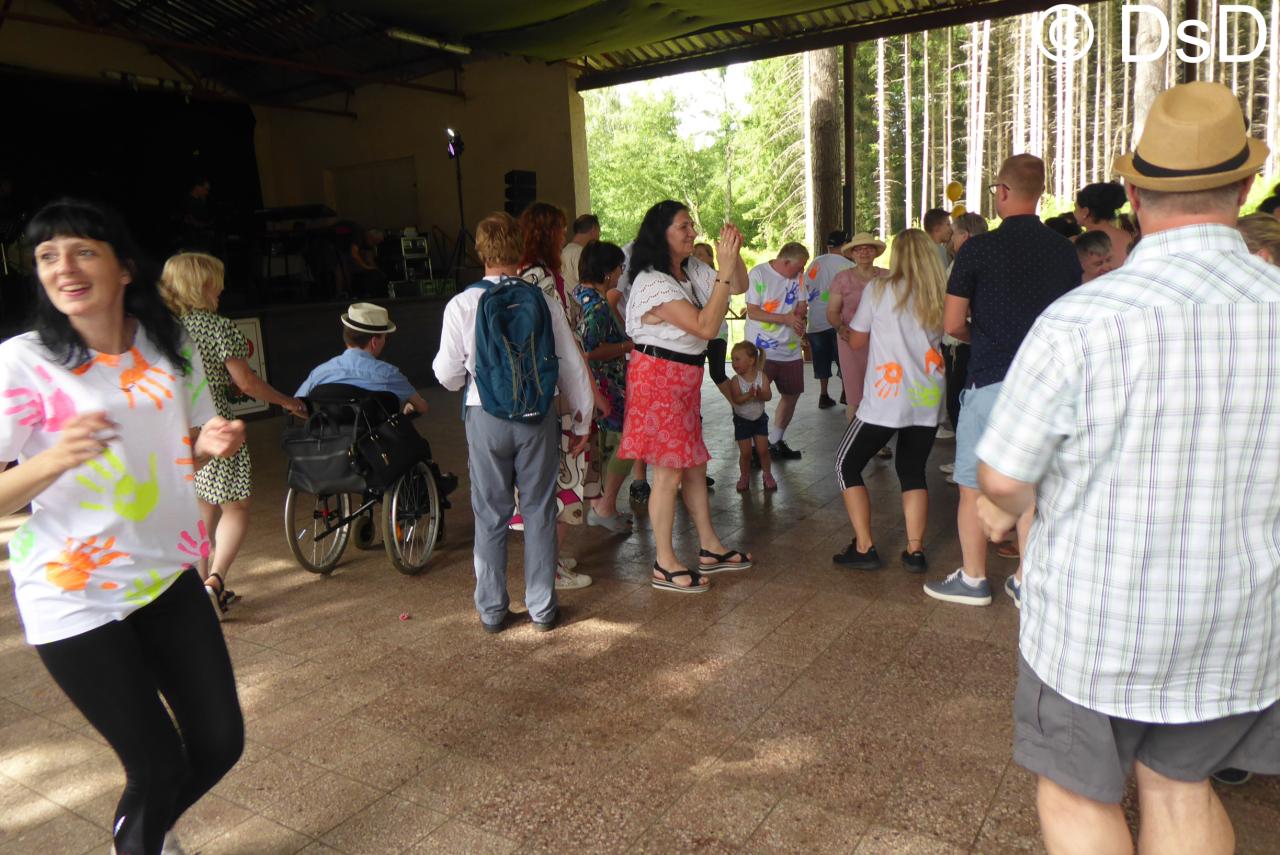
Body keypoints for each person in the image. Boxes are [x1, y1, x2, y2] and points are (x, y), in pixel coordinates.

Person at [975, 81, 1280, 855]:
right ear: (1246, 186)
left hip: (1094, 619)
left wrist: (997, 508)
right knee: (1182, 786)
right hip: (1238, 614)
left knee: (1077, 793)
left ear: (1135, 197)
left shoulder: (1082, 320)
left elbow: (1003, 476)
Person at [0, 198, 246, 855]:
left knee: (220, 743)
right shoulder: (23, 361)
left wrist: (205, 445)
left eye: (83, 251)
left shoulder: (170, 344)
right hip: (73, 591)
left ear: (125, 267)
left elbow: (172, 449)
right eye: (47, 256)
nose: (63, 267)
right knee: (157, 765)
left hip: (165, 571)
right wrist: (55, 458)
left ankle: (143, 833)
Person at [925, 153, 1082, 608]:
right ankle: (1026, 580)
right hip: (1049, 386)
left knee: (973, 484)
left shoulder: (978, 249)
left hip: (992, 379)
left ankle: (974, 578)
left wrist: (983, 337)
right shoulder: (1063, 250)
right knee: (1035, 489)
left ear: (1005, 192)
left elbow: (952, 323)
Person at [433, 211, 594, 633]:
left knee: (490, 513)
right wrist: (582, 421)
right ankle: (542, 608)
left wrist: (471, 376)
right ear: (519, 250)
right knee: (539, 509)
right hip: (537, 415)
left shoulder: (462, 305)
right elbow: (571, 366)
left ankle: (491, 610)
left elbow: (446, 375)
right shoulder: (542, 300)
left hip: (484, 415)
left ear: (481, 252)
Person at [158, 252, 306, 617]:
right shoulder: (217, 327)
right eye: (216, 283)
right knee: (235, 506)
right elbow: (247, 382)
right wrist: (288, 402)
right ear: (202, 285)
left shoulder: (161, 330)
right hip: (217, 429)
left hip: (178, 432)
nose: (221, 290)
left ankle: (196, 589)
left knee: (201, 506)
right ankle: (215, 582)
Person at [620, 200, 751, 592]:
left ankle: (710, 547)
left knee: (693, 464)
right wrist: (723, 270)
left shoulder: (690, 268)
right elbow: (705, 327)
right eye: (683, 226)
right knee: (669, 471)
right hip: (659, 378)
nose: (692, 232)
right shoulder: (652, 281)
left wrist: (733, 258)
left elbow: (739, 286)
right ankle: (664, 562)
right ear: (661, 233)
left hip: (683, 378)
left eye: (691, 225)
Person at [831, 230, 945, 572]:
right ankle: (915, 550)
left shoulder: (879, 289)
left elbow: (857, 341)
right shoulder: (938, 292)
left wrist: (846, 331)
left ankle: (864, 546)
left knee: (845, 464)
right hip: (927, 396)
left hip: (886, 398)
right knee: (912, 471)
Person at [516, 202, 600, 589]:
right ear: (548, 234)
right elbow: (566, 344)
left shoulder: (524, 275)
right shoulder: (543, 279)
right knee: (563, 482)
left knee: (548, 481)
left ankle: (548, 558)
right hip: (558, 394)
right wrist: (588, 393)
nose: (564, 237)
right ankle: (548, 567)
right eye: (560, 230)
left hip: (540, 392)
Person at [573, 240, 635, 531]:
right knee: (628, 442)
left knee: (602, 447)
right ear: (607, 271)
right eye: (620, 267)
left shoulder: (577, 295)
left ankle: (600, 503)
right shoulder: (597, 306)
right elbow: (589, 351)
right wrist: (627, 346)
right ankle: (605, 505)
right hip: (604, 386)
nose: (621, 273)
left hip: (593, 386)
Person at [295, 303, 429, 416]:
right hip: (376, 439)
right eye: (385, 337)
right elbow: (422, 407)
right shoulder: (389, 375)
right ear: (374, 342)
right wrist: (409, 407)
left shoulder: (319, 373)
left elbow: (296, 406)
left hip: (328, 439)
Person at [745, 242, 810, 460]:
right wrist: (785, 318)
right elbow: (753, 312)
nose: (802, 271)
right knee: (754, 398)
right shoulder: (759, 274)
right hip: (761, 348)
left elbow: (801, 306)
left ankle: (775, 440)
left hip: (790, 349)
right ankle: (754, 449)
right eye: (799, 267)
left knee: (791, 395)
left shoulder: (798, 277)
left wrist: (800, 316)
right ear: (786, 262)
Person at [939, 213, 988, 477]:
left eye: (955, 234)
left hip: (961, 343)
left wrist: (968, 336)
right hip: (972, 342)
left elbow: (957, 311)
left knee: (959, 405)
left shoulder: (964, 262)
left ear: (965, 236)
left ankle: (967, 464)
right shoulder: (990, 259)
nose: (951, 239)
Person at [827, 233, 888, 421]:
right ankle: (854, 436)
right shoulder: (842, 278)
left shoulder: (887, 276)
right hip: (850, 340)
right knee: (855, 394)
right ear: (852, 254)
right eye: (859, 249)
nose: (864, 252)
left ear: (875, 252)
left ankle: (879, 434)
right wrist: (840, 328)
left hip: (882, 342)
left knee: (882, 391)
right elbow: (832, 311)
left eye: (868, 248)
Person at [803, 230, 854, 409]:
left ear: (828, 245)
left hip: (815, 320)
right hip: (839, 321)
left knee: (821, 360)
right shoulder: (848, 266)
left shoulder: (815, 263)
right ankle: (846, 392)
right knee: (844, 359)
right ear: (845, 245)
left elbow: (805, 286)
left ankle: (823, 395)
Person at [726, 340, 776, 492]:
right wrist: (748, 395)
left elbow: (768, 396)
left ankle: (767, 474)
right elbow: (736, 399)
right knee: (746, 453)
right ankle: (744, 476)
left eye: (737, 359)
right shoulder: (735, 381)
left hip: (759, 419)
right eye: (733, 359)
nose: (734, 363)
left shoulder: (762, 377)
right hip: (742, 421)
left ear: (751, 360)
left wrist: (760, 394)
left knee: (763, 450)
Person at [1074, 181, 1134, 266]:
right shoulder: (1128, 237)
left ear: (1085, 212)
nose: (1074, 212)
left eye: (1076, 208)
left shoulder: (1078, 243)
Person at [560, 213, 600, 291]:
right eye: (599, 232)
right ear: (593, 230)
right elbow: (588, 284)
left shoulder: (565, 250)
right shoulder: (580, 253)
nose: (599, 236)